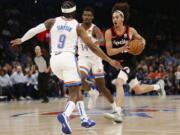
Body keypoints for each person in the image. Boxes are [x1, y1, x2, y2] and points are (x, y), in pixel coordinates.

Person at [10, 1, 122, 134]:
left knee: (76, 86)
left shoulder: (52, 21)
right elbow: (93, 47)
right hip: (68, 59)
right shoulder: (77, 26)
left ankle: (84, 118)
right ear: (75, 13)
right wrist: (109, 60)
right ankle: (66, 115)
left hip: (54, 61)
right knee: (74, 92)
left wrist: (22, 40)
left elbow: (34, 30)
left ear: (62, 11)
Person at [104, 2, 166, 123]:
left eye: (117, 17)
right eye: (113, 17)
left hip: (130, 62)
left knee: (118, 82)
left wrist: (142, 42)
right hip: (120, 63)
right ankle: (158, 86)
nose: (114, 19)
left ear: (122, 19)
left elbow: (142, 39)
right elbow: (110, 52)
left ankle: (118, 112)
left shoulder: (130, 30)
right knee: (137, 90)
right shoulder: (108, 33)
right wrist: (123, 47)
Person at [77, 7, 116, 110]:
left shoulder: (95, 29)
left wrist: (98, 41)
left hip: (96, 59)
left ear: (92, 17)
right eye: (85, 15)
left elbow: (102, 39)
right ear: (82, 16)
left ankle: (115, 107)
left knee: (102, 87)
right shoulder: (78, 28)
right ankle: (91, 92)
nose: (87, 17)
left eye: (89, 15)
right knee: (79, 79)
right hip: (83, 58)